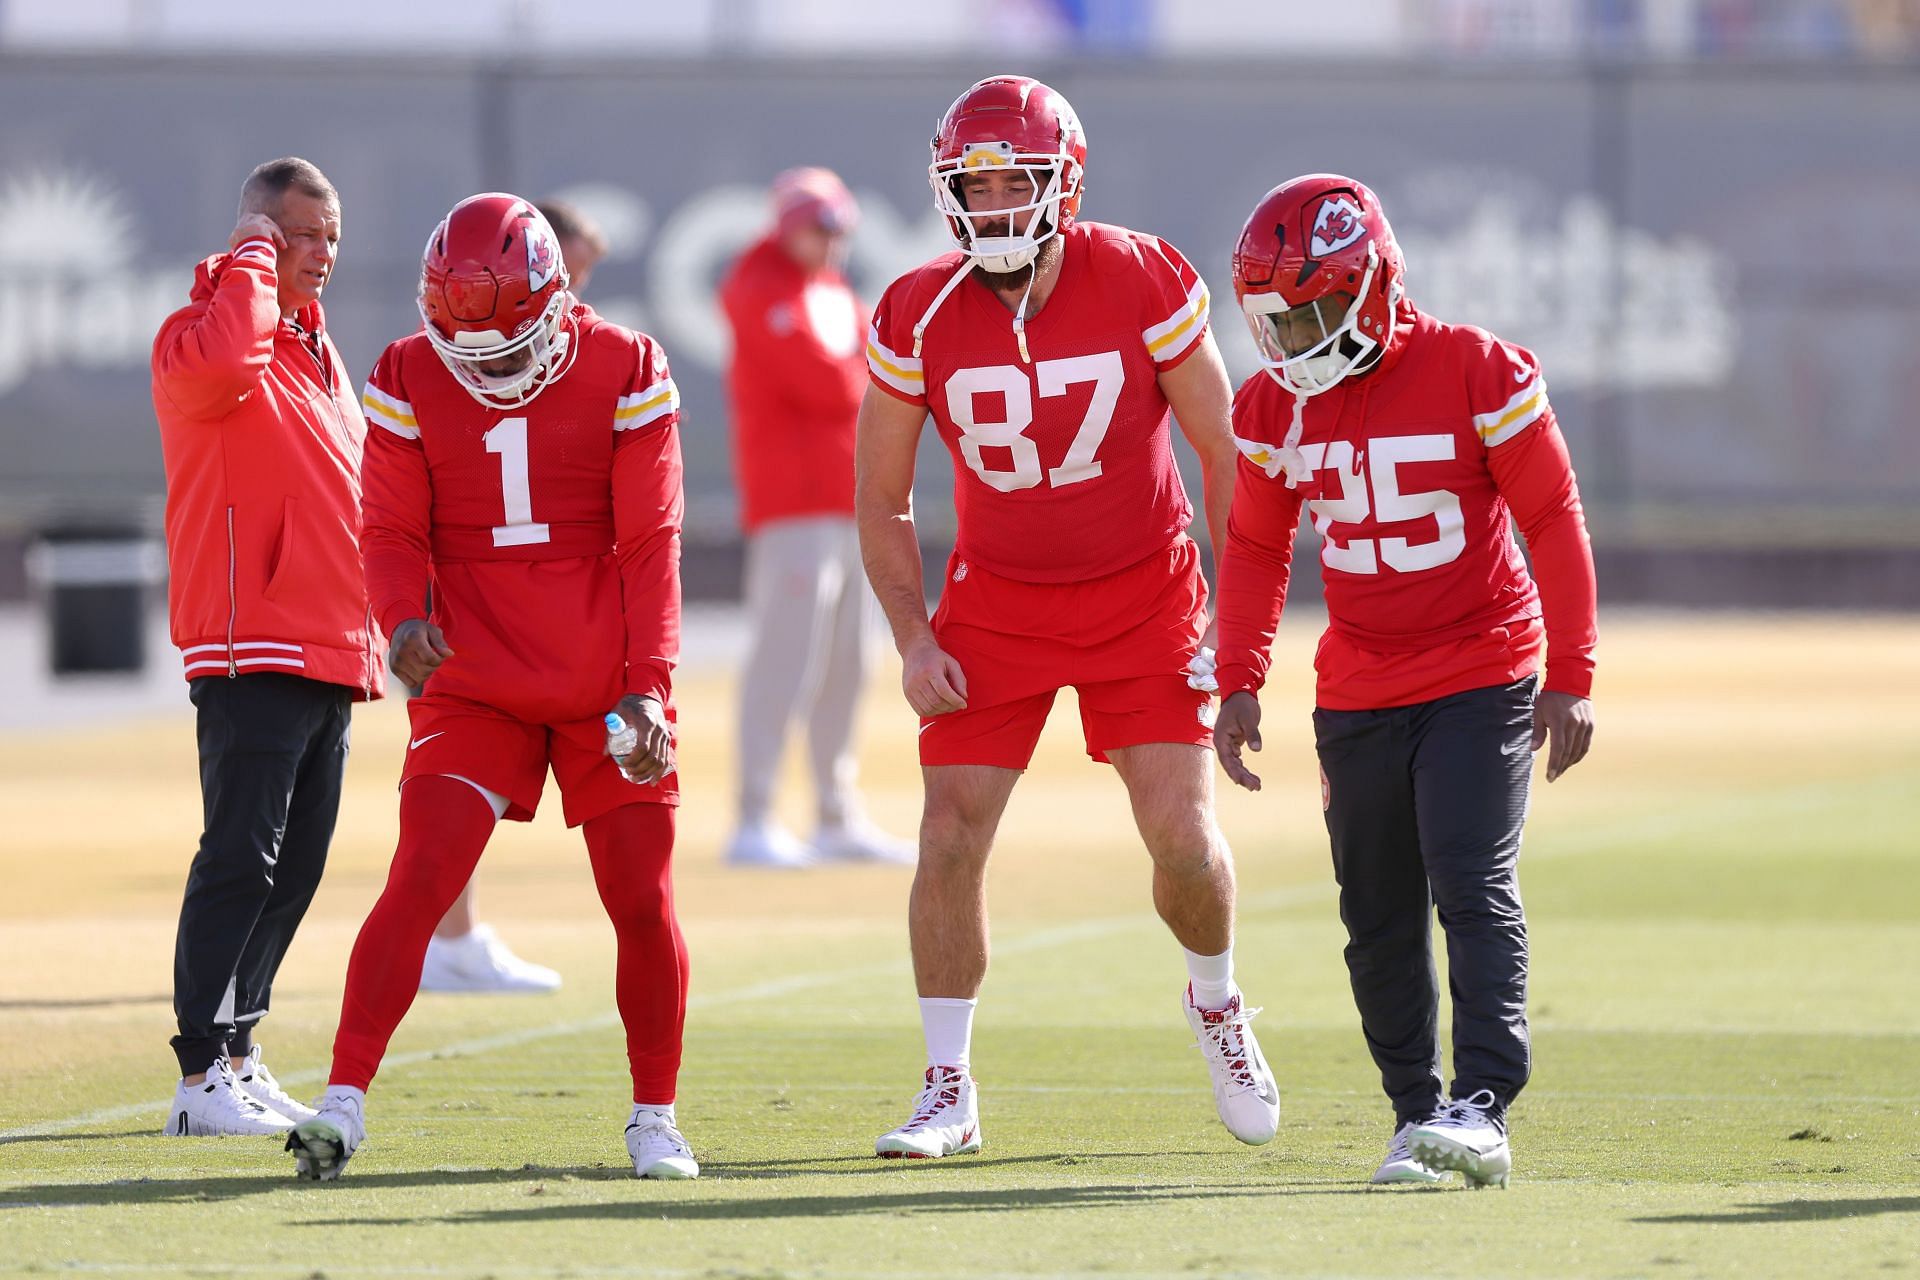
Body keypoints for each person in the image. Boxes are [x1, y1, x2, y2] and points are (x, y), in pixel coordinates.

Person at [856, 75, 1279, 1159]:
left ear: (1065, 183)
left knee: (1184, 841)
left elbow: (1224, 451)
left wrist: (1233, 629)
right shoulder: (916, 308)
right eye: (975, 187)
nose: (994, 208)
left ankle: (1217, 1002)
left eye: (1016, 184)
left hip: (1146, 589)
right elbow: (883, 497)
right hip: (996, 602)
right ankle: (947, 1082)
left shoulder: (1140, 273)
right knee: (948, 832)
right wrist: (913, 636)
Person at [285, 193, 697, 1181]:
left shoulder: (625, 364)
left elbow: (650, 542)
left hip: (606, 674)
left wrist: (648, 686)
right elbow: (390, 528)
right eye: (471, 350)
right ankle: (341, 1101)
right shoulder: (406, 370)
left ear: (557, 304)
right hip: (476, 676)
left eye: (510, 350)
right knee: (422, 868)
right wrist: (400, 617)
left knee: (639, 895)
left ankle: (655, 1115)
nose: (492, 372)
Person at [1209, 175, 1597, 1189]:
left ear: (1372, 284)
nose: (1293, 339)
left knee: (1470, 879)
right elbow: (1254, 544)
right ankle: (1415, 1111)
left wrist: (1573, 669)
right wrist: (1239, 673)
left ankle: (1483, 1106)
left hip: (1481, 665)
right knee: (1375, 911)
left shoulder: (1474, 368)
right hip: (1359, 685)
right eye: (1277, 320)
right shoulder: (1271, 408)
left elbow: (1553, 516)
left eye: (1314, 311)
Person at [151, 157, 381, 1138]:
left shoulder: (315, 348)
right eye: (297, 235)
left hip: (330, 641)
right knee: (240, 857)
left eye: (330, 236)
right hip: (252, 641)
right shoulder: (204, 335)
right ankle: (199, 1071)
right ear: (255, 236)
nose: (319, 253)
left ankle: (239, 1048)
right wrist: (249, 257)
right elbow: (220, 365)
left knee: (298, 866)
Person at [414, 195, 612, 994]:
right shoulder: (462, 358)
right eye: (577, 270)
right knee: (453, 778)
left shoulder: (586, 350)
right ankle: (448, 937)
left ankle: (454, 935)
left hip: (517, 602)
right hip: (470, 598)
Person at [718, 167, 913, 868]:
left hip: (851, 500)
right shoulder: (756, 289)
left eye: (837, 227)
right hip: (792, 503)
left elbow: (871, 380)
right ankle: (754, 816)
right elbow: (828, 382)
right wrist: (876, 388)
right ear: (786, 225)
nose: (830, 240)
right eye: (817, 226)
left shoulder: (833, 292)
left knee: (848, 662)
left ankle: (835, 812)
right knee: (786, 658)